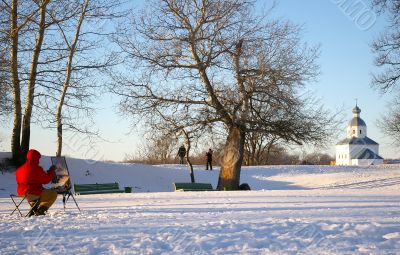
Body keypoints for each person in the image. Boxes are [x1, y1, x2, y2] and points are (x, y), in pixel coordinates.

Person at [16, 149, 57, 216]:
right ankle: (40, 211)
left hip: (21, 193)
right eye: (38, 158)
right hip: (33, 193)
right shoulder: (36, 168)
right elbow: (46, 180)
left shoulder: (20, 169)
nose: (39, 160)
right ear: (36, 158)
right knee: (53, 194)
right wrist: (51, 171)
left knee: (37, 193)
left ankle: (34, 207)